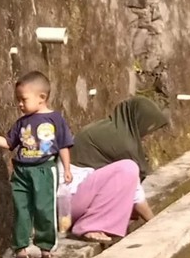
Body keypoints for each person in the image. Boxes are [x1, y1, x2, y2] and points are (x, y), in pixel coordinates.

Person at [0, 71, 74, 258]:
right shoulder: (21, 123)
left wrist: (66, 168)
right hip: (21, 172)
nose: (19, 104)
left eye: (23, 99)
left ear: (41, 98)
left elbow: (63, 145)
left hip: (44, 170)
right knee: (22, 210)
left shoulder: (55, 119)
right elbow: (9, 143)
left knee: (45, 210)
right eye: (17, 99)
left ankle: (46, 249)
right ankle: (20, 250)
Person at [66, 97, 165, 242]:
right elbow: (135, 190)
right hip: (68, 203)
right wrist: (154, 223)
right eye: (149, 128)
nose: (148, 134)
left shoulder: (111, 129)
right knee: (129, 168)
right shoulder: (122, 142)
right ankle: (90, 226)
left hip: (73, 199)